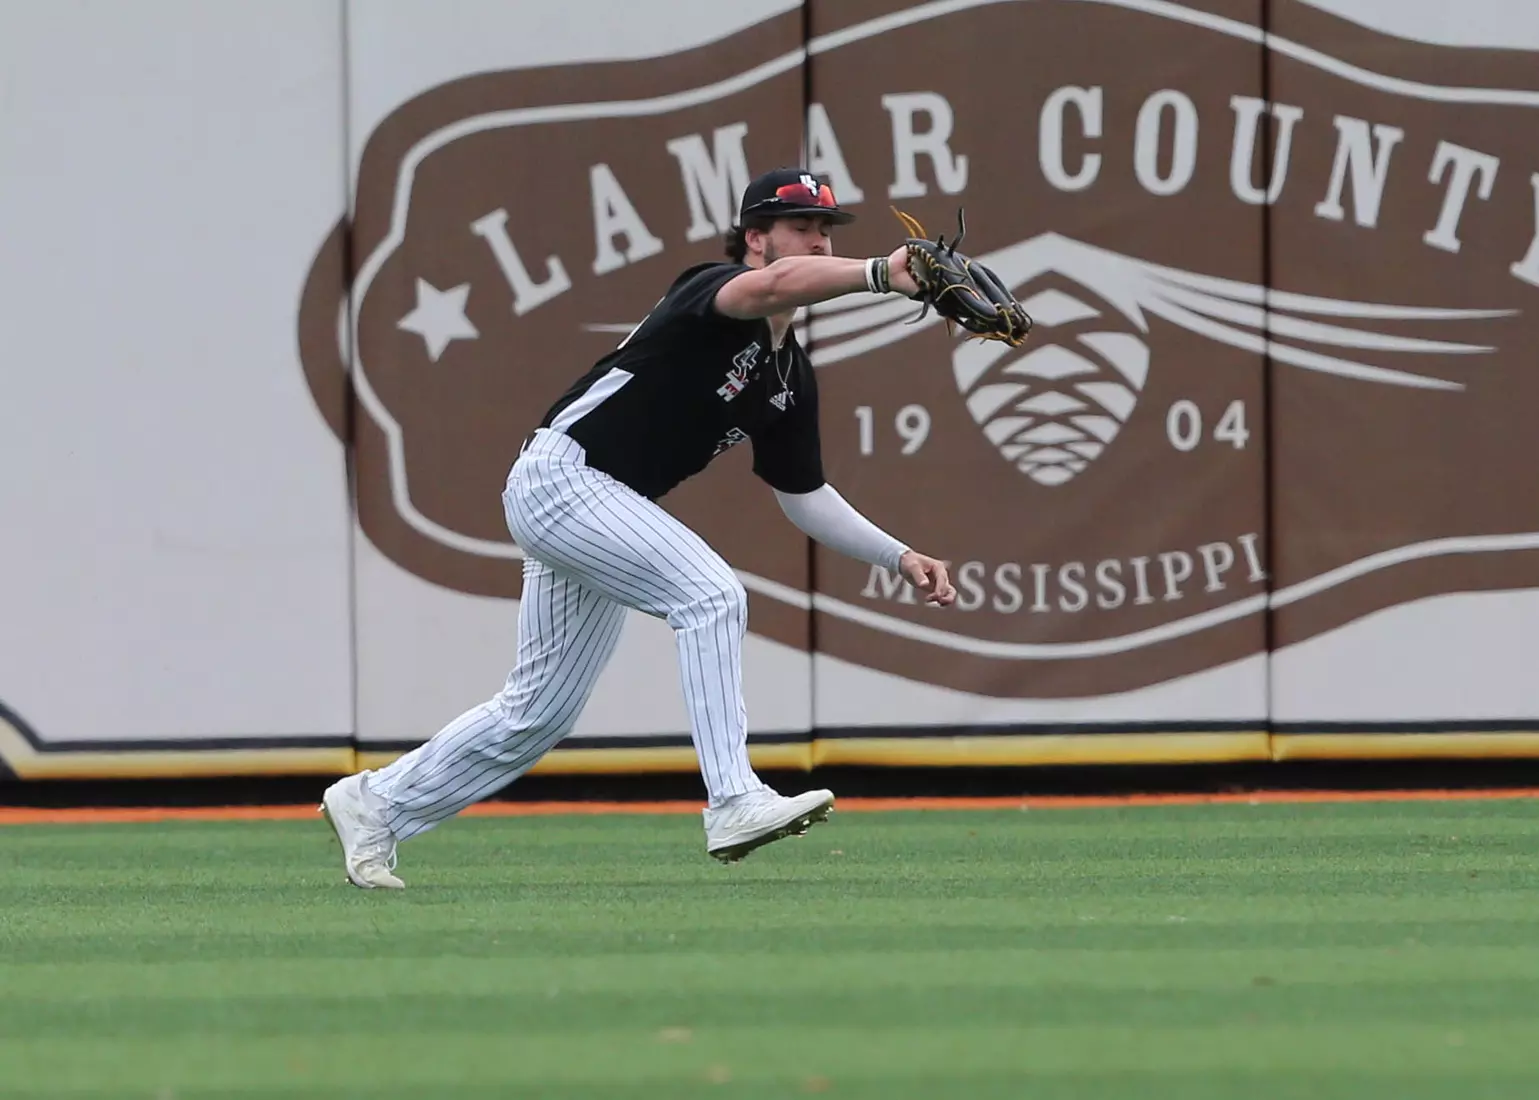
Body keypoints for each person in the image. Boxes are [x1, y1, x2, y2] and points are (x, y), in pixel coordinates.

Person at [320, 167, 958, 888]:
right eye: (801, 228)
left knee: (537, 713)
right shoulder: (710, 290)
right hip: (564, 477)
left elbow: (802, 494)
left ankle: (375, 804)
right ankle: (733, 800)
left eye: (824, 228)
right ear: (756, 239)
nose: (816, 238)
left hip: (597, 503)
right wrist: (877, 273)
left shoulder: (787, 375)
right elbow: (769, 291)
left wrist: (897, 554)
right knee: (712, 597)